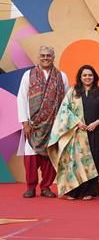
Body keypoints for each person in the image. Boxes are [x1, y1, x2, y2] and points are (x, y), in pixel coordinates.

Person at [48, 65, 99, 199]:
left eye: (90, 75)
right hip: (76, 132)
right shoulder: (73, 91)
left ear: (94, 77)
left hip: (93, 132)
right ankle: (72, 192)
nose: (87, 77)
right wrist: (77, 122)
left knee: (90, 160)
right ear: (80, 77)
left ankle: (89, 192)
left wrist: (96, 123)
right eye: (85, 75)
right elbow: (65, 109)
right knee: (74, 161)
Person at [17, 46, 68, 198]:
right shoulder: (28, 75)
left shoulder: (61, 76)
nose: (45, 58)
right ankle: (30, 187)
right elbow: (21, 98)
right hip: (33, 125)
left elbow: (66, 101)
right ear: (38, 57)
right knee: (31, 157)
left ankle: (46, 187)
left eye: (49, 55)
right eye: (43, 55)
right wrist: (24, 122)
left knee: (50, 156)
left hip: (54, 125)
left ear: (53, 57)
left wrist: (63, 124)